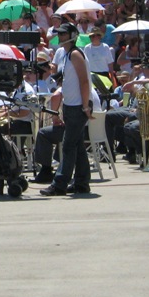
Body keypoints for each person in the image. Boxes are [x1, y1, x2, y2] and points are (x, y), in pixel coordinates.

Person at [41, 23, 93, 195]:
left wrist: (85, 106)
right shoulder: (66, 55)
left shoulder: (75, 54)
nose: (60, 36)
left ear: (72, 35)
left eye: (63, 34)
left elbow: (84, 81)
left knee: (68, 146)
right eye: (59, 34)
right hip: (72, 105)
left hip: (78, 106)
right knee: (77, 145)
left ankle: (59, 184)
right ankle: (82, 182)